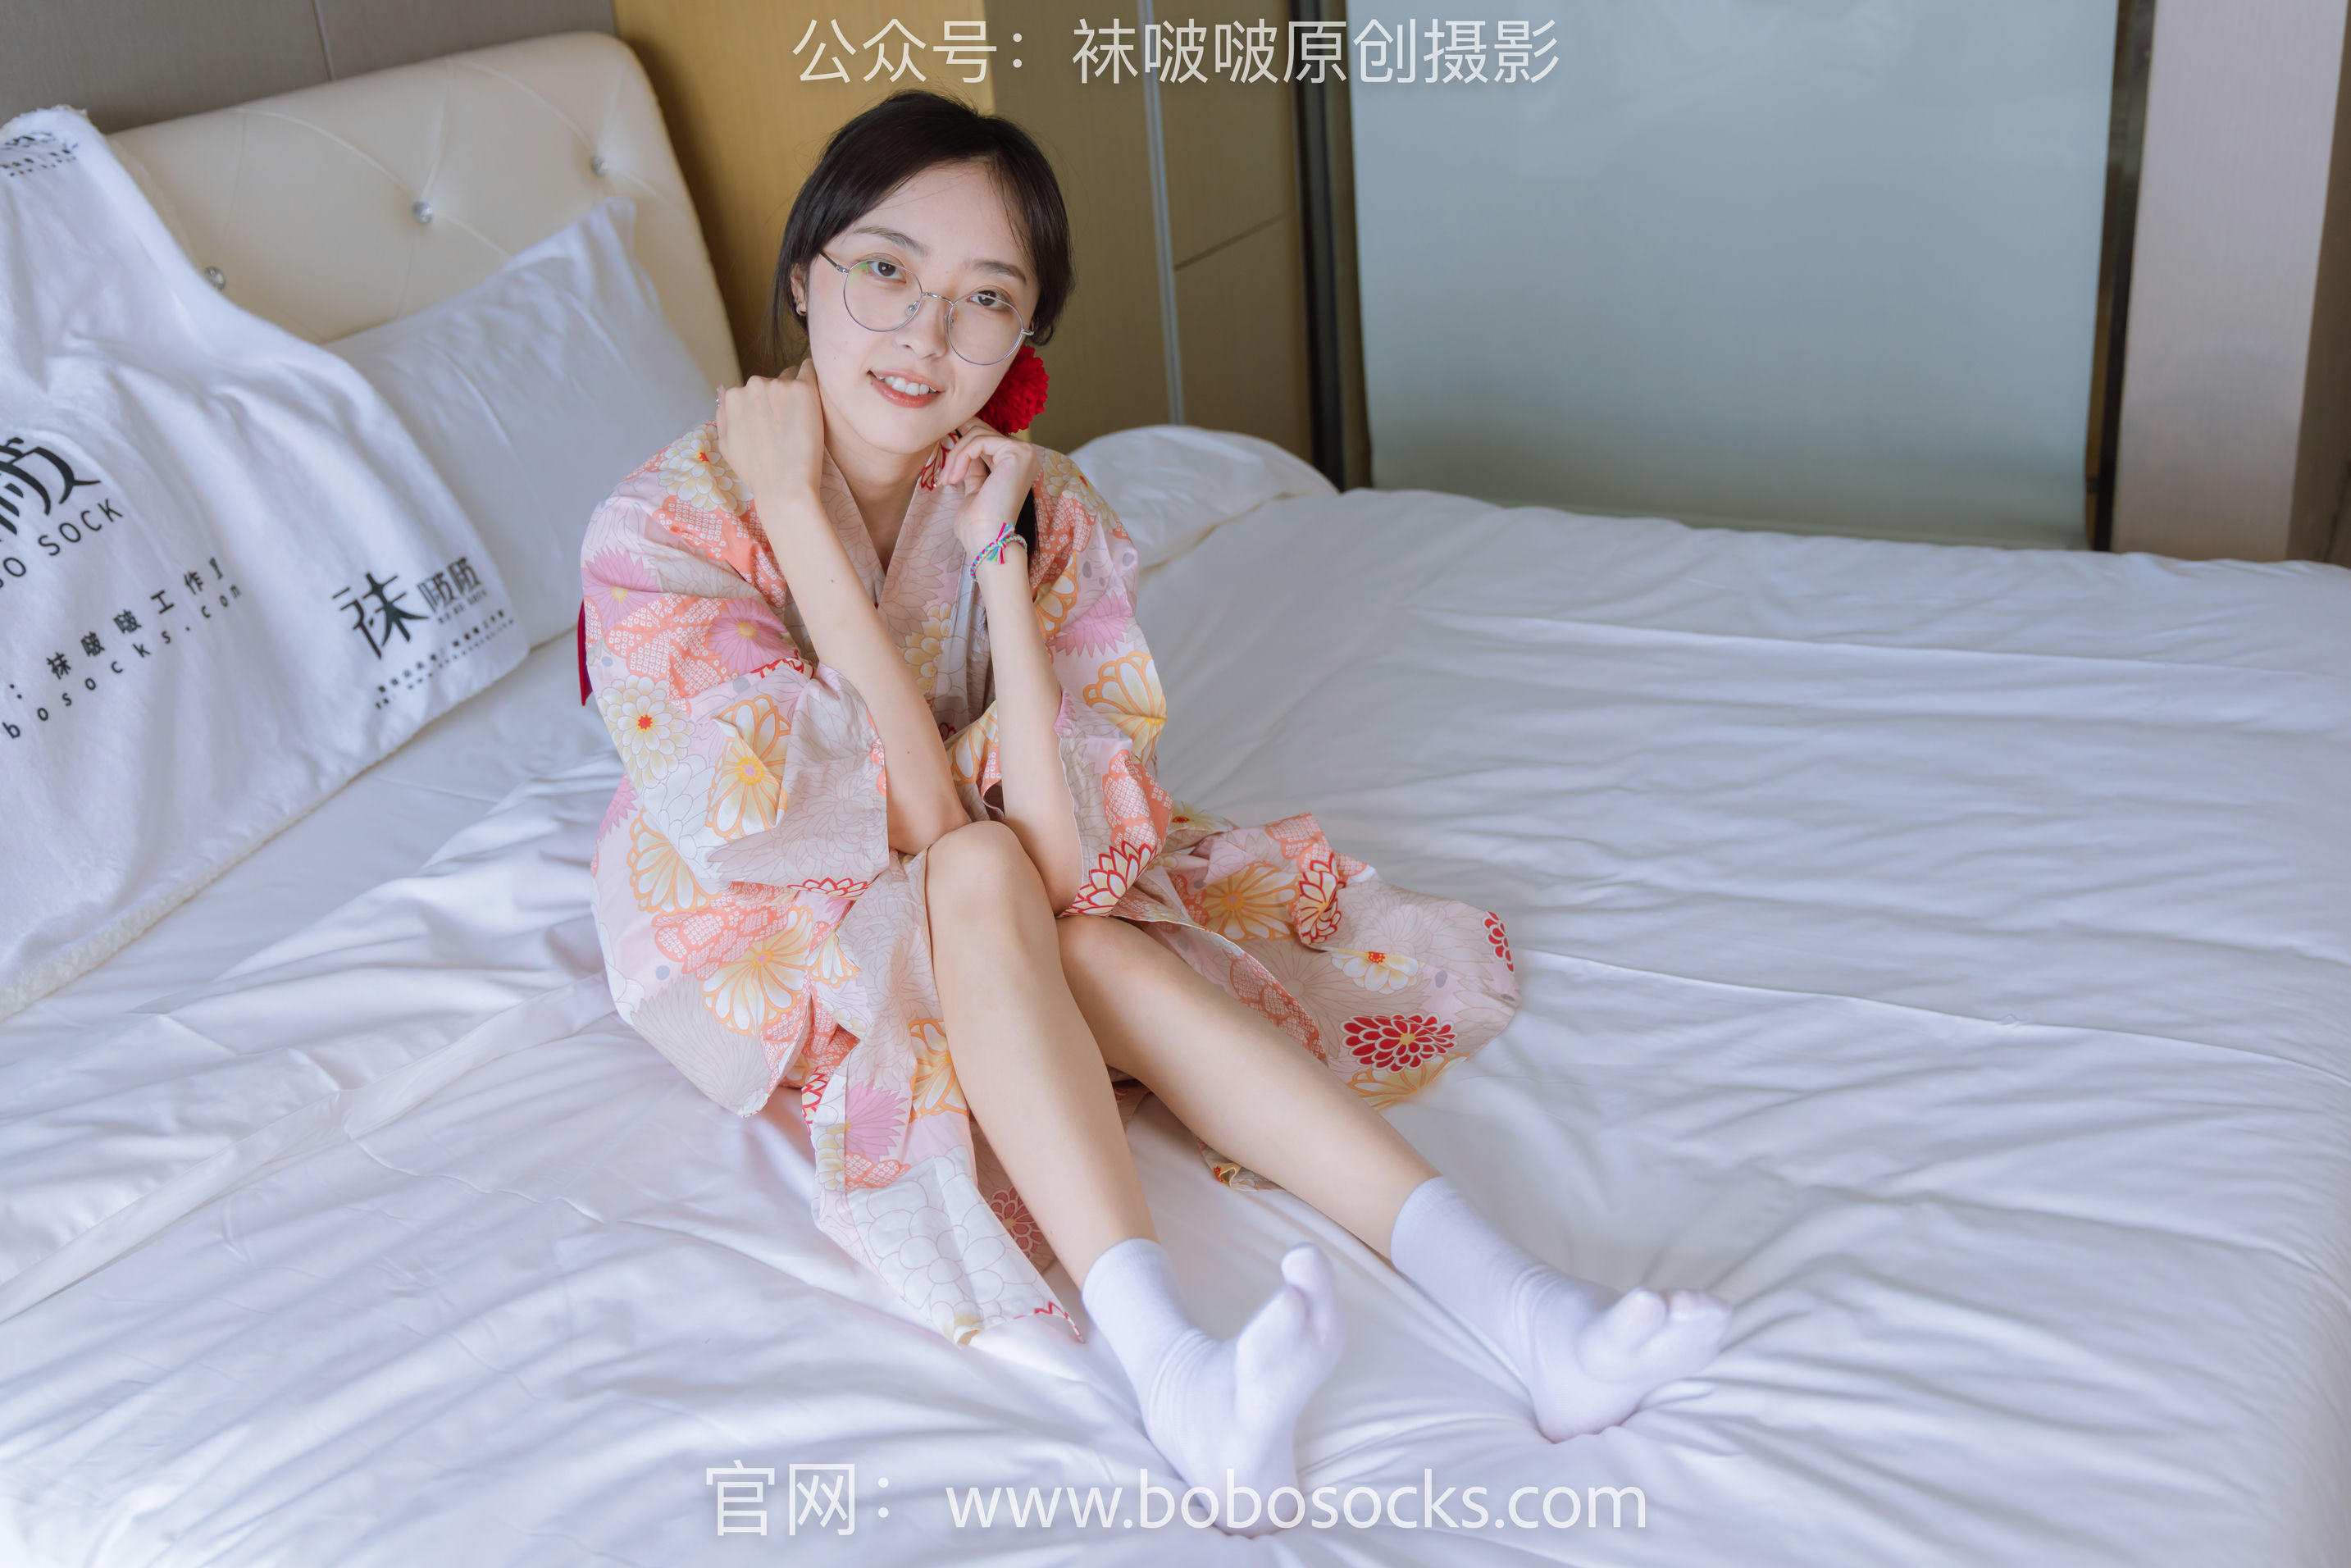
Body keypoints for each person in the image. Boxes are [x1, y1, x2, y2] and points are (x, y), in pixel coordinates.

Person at [577, 90, 1729, 1538]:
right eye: (883, 271)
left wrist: (999, 566)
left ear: (1024, 341)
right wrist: (798, 516)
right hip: (764, 926)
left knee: (1091, 940)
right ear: (804, 275)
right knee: (988, 878)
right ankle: (1173, 1364)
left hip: (1002, 890)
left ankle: (1527, 1309)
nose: (925, 336)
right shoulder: (662, 529)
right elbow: (927, 824)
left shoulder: (1027, 496)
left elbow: (1062, 869)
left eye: (985, 299)